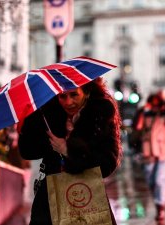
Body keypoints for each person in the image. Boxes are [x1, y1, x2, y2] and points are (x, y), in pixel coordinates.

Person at [18, 77, 123, 225]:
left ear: (86, 92)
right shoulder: (48, 114)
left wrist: (69, 150)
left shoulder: (99, 114)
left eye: (74, 95)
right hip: (49, 197)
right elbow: (28, 152)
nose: (68, 102)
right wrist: (28, 125)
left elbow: (107, 164)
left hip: (87, 195)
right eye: (62, 96)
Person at [138, 96, 165, 223]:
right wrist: (143, 111)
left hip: (164, 151)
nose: (154, 106)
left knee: (160, 180)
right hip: (149, 152)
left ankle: (161, 207)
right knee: (151, 182)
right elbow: (137, 126)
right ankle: (159, 202)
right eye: (152, 104)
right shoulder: (145, 115)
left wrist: (164, 106)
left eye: (157, 104)